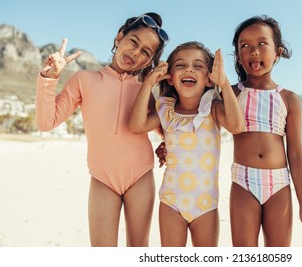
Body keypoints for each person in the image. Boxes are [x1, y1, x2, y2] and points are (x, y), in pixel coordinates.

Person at [35, 12, 169, 246]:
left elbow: (166, 129)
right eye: (133, 42)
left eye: (146, 52)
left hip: (140, 176)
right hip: (102, 179)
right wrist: (48, 79)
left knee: (138, 249)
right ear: (119, 38)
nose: (136, 52)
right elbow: (47, 121)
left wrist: (168, 145)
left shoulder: (145, 91)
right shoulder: (84, 80)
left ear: (149, 62)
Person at [129, 41, 244, 247]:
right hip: (171, 202)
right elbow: (137, 125)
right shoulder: (166, 110)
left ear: (209, 80)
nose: (189, 68)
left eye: (198, 66)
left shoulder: (213, 108)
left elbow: (236, 125)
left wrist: (224, 83)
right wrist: (148, 84)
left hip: (205, 205)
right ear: (170, 78)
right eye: (180, 65)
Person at [228, 15, 302, 246]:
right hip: (243, 182)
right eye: (245, 46)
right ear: (238, 55)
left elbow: (296, 154)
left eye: (262, 44)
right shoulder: (231, 94)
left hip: (279, 184)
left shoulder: (288, 99)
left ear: (277, 52)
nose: (254, 51)